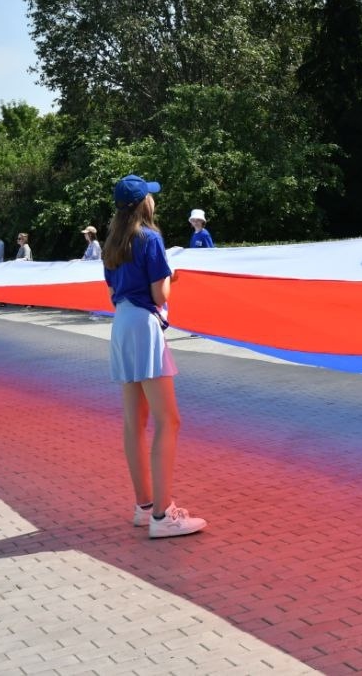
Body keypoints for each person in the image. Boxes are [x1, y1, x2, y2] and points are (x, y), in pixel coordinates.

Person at [103, 174, 206, 539]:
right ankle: (163, 516)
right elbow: (159, 295)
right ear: (143, 203)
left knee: (134, 421)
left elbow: (115, 290)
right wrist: (169, 278)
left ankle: (144, 507)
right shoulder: (150, 238)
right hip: (144, 326)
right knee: (169, 421)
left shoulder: (112, 243)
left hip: (121, 323)